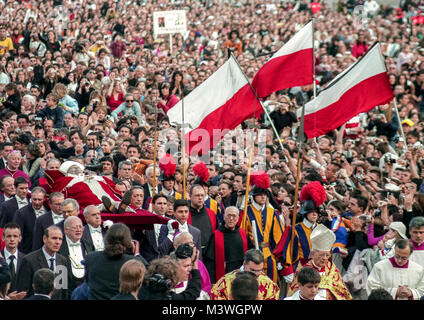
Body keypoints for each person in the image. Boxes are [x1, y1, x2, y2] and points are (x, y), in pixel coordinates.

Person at [84, 223, 148, 300]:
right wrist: (137, 254)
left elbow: (88, 282)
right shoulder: (133, 262)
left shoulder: (90, 258)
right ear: (128, 241)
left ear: (107, 238)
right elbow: (149, 274)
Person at [240, 171, 284, 283]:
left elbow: (278, 236)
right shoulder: (246, 212)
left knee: (270, 285)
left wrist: (279, 257)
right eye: (260, 194)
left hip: (269, 254)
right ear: (254, 196)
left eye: (265, 194)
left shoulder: (272, 212)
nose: (263, 196)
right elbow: (243, 235)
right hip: (252, 254)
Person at [287, 224, 352, 300]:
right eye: (321, 255)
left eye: (327, 255)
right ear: (313, 254)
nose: (324, 258)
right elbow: (295, 290)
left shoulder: (332, 268)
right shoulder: (304, 268)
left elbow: (342, 291)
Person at [16, 225, 71, 300]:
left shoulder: (62, 260)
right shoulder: (29, 260)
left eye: (60, 239)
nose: (57, 242)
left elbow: (64, 291)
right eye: (54, 238)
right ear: (45, 239)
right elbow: (23, 292)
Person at [204, 206, 252, 283]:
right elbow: (210, 262)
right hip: (223, 275)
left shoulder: (243, 234)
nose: (231, 219)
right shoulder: (216, 235)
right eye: (229, 215)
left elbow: (250, 256)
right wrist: (212, 282)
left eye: (234, 216)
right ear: (224, 217)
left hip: (241, 276)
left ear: (238, 218)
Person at [210, 249, 280, 300]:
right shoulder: (225, 282)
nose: (256, 274)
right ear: (244, 264)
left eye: (259, 270)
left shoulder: (268, 284)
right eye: (252, 270)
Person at [58, 216, 95, 292]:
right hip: (66, 290)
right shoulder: (59, 246)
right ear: (66, 230)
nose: (78, 230)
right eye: (75, 227)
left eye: (80, 227)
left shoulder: (88, 245)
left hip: (86, 291)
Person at [13, 187, 47, 254]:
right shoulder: (21, 213)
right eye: (34, 199)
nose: (37, 202)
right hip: (27, 252)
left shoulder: (48, 211)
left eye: (39, 200)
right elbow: (17, 235)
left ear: (44, 199)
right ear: (30, 198)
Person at [188, 184, 218, 257]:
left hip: (210, 254)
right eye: (197, 195)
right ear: (190, 196)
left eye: (202, 195)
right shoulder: (185, 214)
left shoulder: (211, 214)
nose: (200, 198)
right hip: (192, 253)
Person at [1, 222, 25, 293]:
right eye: (9, 236)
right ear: (3, 238)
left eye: (15, 236)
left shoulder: (26, 259)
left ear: (20, 238)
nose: (12, 239)